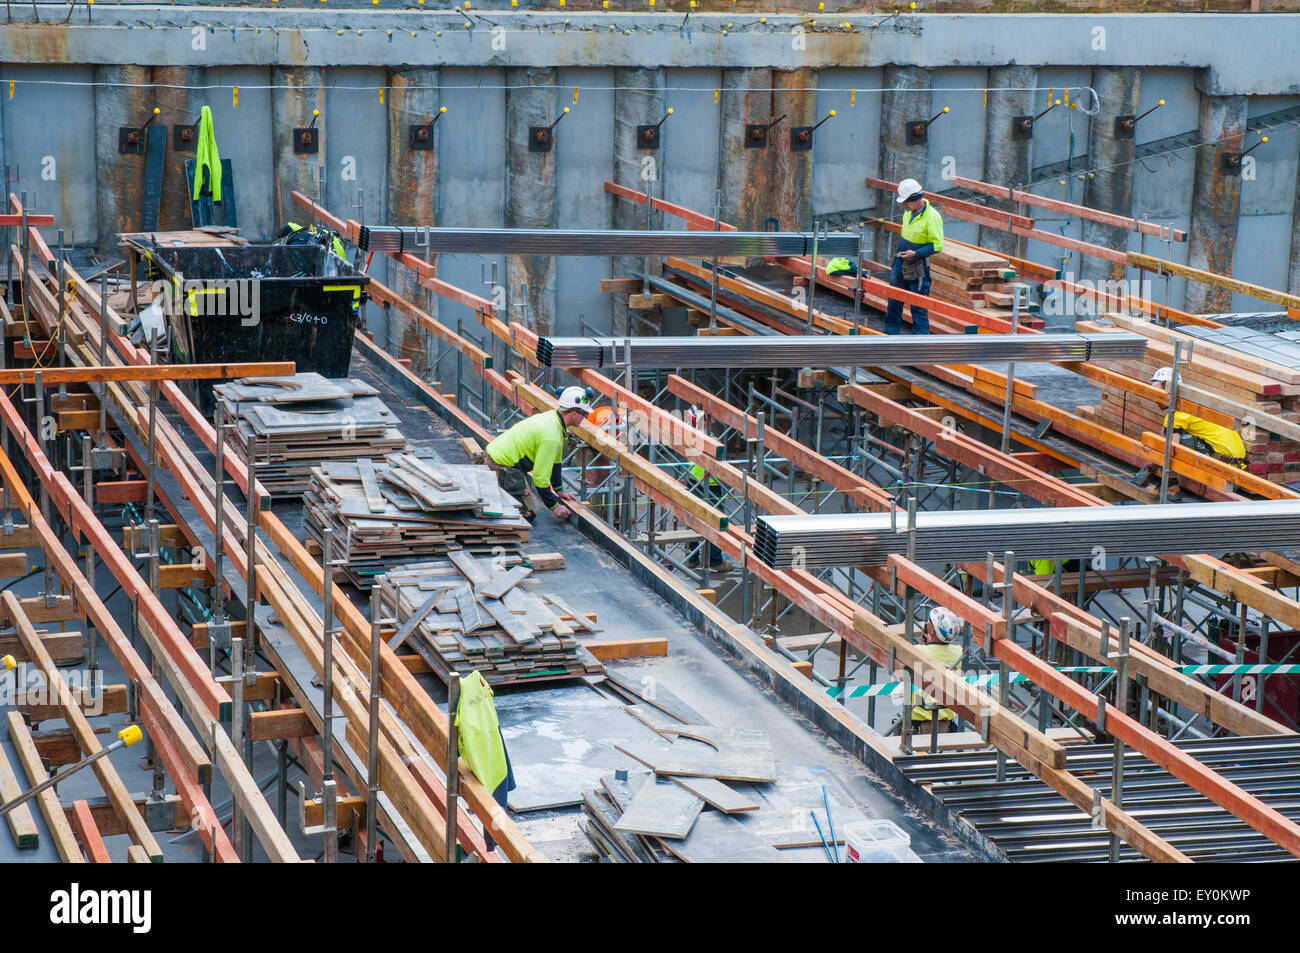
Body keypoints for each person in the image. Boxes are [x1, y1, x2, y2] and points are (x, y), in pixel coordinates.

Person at [484, 385, 591, 522]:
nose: (586, 418)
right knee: (527, 514)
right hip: (501, 465)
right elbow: (540, 478)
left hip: (498, 455)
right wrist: (554, 506)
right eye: (585, 414)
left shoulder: (554, 419)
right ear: (574, 414)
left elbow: (556, 461)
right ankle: (497, 491)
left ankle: (498, 491)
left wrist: (559, 490)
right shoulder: (551, 435)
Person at [1150, 367, 1247, 468]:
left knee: (1182, 442)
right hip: (1239, 462)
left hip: (1224, 465)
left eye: (1158, 393)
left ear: (1170, 391)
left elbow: (1170, 452)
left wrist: (1155, 462)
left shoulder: (1177, 416)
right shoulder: (1193, 406)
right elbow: (1164, 433)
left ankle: (1172, 482)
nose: (1155, 398)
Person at [884, 178, 944, 336]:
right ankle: (890, 337)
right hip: (901, 260)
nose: (904, 205)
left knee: (918, 304)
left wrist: (916, 254)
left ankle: (921, 342)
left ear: (916, 199)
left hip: (918, 265)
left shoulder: (932, 217)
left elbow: (937, 245)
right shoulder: (908, 212)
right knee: (894, 300)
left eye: (906, 202)